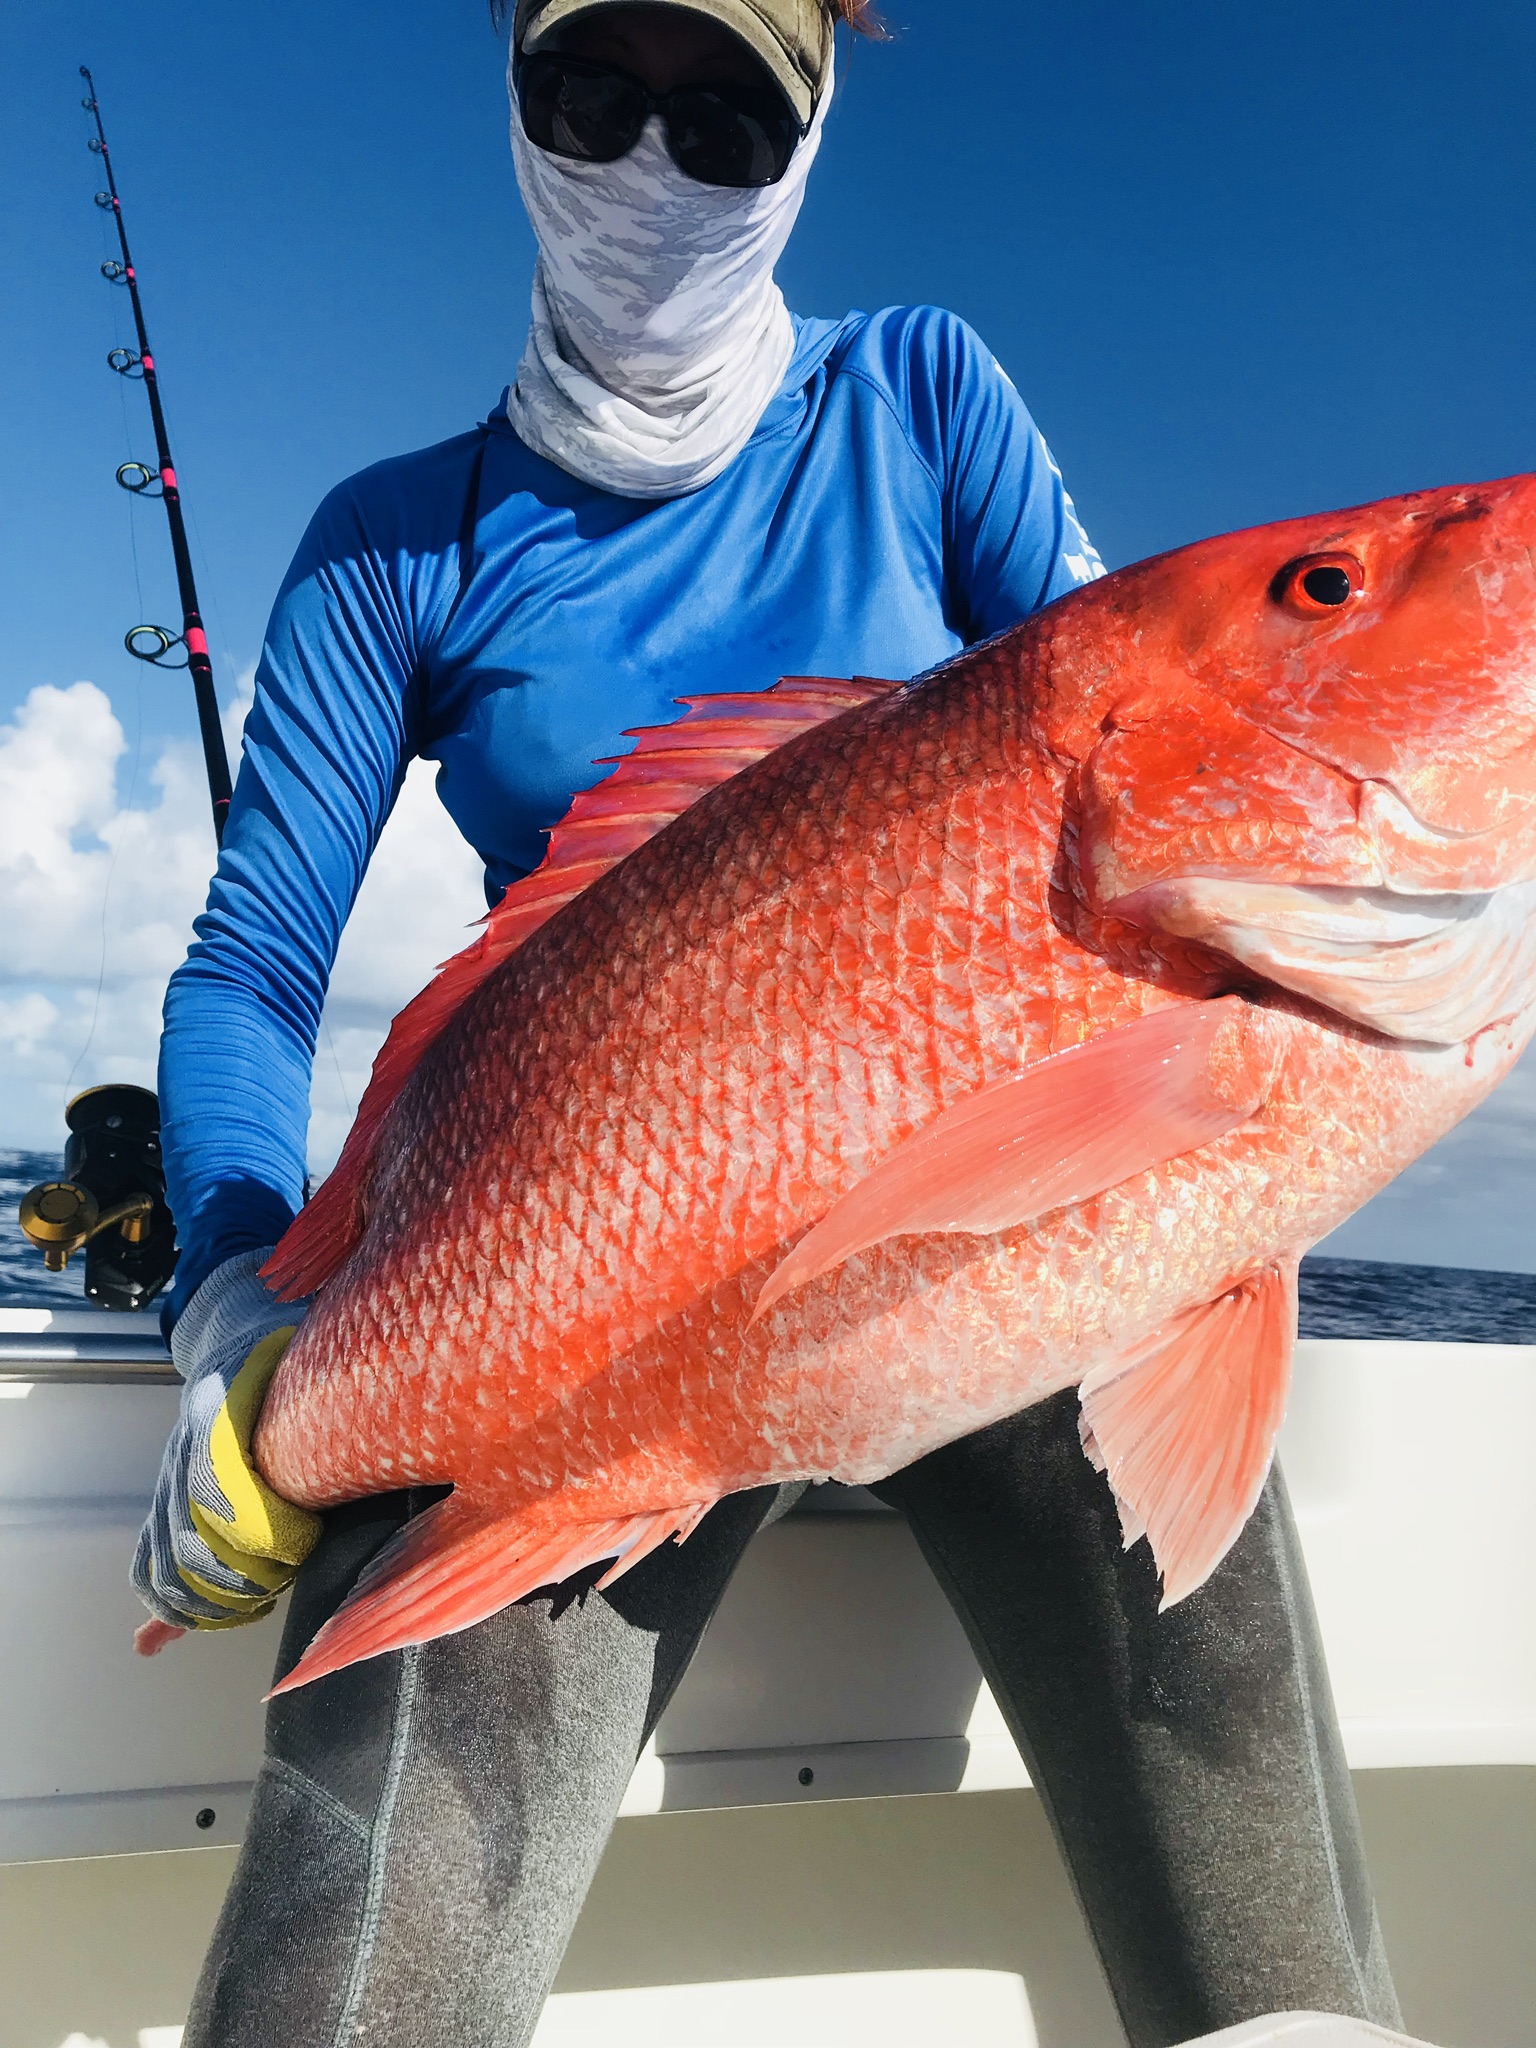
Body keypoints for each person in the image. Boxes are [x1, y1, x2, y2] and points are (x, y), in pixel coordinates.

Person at [135, 4, 1405, 2043]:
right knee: (347, 1947)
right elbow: (257, 965)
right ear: (516, 102)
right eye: (595, 94)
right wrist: (232, 1306)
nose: (654, 157)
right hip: (593, 1286)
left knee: (1276, 1917)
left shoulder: (924, 393)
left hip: (1012, 1252)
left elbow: (1126, 735)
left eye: (726, 113)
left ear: (811, 136)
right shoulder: (399, 537)